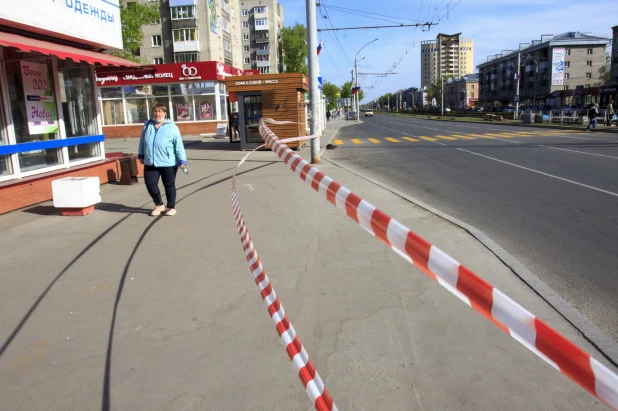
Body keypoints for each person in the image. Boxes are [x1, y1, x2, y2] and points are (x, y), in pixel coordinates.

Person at [138, 104, 187, 216]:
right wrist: (141, 155)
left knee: (169, 185)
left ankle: (171, 207)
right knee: (150, 184)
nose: (157, 114)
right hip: (151, 161)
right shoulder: (147, 125)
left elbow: (178, 145)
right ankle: (159, 204)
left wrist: (182, 160)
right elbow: (142, 141)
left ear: (165, 113)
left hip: (168, 162)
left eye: (160, 111)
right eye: (155, 111)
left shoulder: (172, 127)